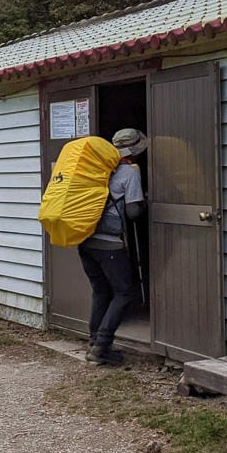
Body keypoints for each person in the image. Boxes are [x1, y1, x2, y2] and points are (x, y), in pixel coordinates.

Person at [78, 128, 147, 366]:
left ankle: (94, 340)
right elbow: (133, 211)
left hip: (84, 238)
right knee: (125, 292)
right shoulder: (129, 172)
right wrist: (145, 202)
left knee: (101, 291)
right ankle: (101, 347)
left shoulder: (95, 166)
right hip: (109, 243)